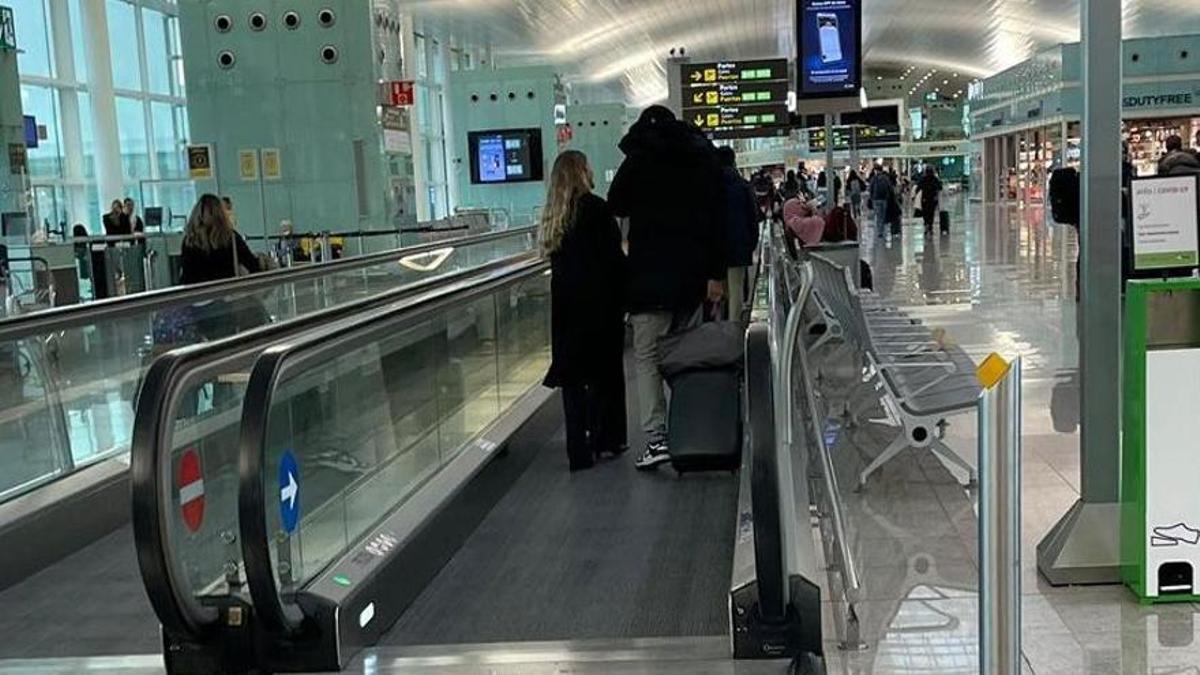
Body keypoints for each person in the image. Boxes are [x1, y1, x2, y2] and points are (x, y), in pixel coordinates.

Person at [608, 105, 726, 470]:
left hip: (647, 278)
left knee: (647, 358)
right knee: (687, 354)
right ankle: (692, 428)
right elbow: (715, 218)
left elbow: (616, 202)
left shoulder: (638, 159)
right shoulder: (698, 158)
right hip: (691, 277)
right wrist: (715, 275)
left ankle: (657, 437)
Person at [540, 151, 628, 472]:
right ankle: (607, 437)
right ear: (582, 173)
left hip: (565, 308)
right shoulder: (596, 208)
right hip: (600, 304)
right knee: (605, 374)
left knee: (573, 378)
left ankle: (577, 449)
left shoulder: (554, 215)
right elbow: (613, 260)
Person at [716, 146, 760, 321]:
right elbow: (752, 217)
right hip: (738, 246)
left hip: (716, 247)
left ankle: (717, 325)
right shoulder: (742, 185)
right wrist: (751, 244)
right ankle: (733, 329)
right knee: (736, 290)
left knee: (719, 289)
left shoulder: (710, 185)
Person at [180, 194, 262, 285]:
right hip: (225, 293)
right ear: (221, 215)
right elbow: (253, 266)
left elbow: (186, 276)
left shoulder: (190, 241)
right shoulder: (230, 238)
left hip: (198, 295)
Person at [914, 165, 944, 235]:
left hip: (924, 199)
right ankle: (930, 226)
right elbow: (940, 187)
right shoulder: (934, 179)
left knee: (925, 213)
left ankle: (926, 224)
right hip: (933, 199)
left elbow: (918, 187)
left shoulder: (923, 179)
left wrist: (915, 195)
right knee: (931, 213)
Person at [869, 167, 895, 238]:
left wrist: (871, 197)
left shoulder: (874, 178)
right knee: (883, 215)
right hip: (884, 199)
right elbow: (890, 188)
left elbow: (870, 188)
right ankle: (882, 230)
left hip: (876, 199)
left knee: (878, 215)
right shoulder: (886, 178)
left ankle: (879, 231)